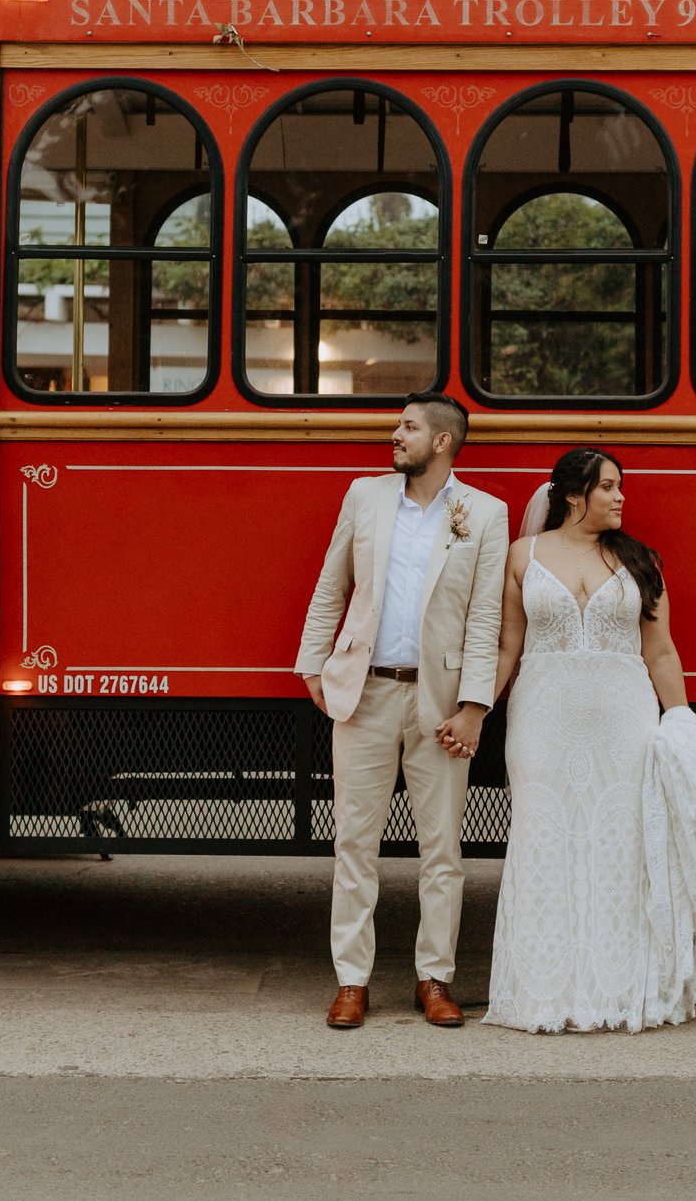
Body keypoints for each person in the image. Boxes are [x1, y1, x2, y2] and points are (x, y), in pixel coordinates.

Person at [446, 448, 696, 1033]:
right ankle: (543, 993)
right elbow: (508, 647)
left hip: (625, 721)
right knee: (544, 838)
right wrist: (474, 713)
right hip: (540, 720)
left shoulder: (642, 561)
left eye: (620, 487)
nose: (620, 498)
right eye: (608, 487)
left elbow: (660, 650)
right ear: (571, 495)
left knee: (621, 845)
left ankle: (618, 991)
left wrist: (681, 722)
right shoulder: (522, 555)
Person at [294, 393, 508, 1030]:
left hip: (439, 702)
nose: (396, 435)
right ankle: (352, 981)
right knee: (354, 845)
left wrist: (473, 707)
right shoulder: (365, 496)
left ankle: (434, 978)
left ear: (441, 442)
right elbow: (332, 584)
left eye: (408, 428)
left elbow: (485, 619)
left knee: (441, 850)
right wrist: (313, 665)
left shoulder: (485, 514)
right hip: (365, 692)